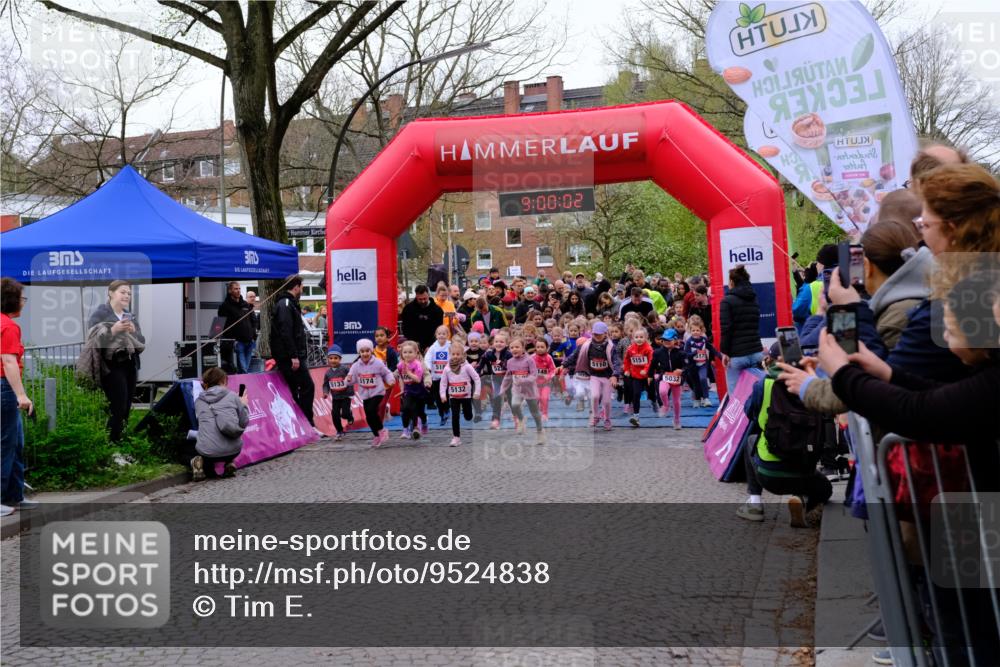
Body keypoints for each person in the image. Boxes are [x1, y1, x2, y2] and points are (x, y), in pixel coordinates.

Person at [738, 343, 833, 526]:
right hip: (804, 471)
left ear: (772, 360)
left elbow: (750, 412)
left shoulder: (763, 385)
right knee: (825, 490)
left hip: (769, 473)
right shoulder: (813, 387)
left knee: (750, 440)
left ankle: (755, 504)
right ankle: (804, 501)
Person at [87, 280, 145, 441]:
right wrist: (113, 330)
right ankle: (112, 445)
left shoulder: (130, 315)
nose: (126, 296)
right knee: (117, 406)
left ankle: (121, 441)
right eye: (123, 292)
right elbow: (93, 339)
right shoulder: (100, 313)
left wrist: (134, 332)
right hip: (111, 366)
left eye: (129, 293)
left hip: (130, 364)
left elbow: (142, 341)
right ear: (111, 293)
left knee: (126, 406)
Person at [1, 278, 36, 517]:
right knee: (6, 443)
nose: (23, 302)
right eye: (22, 298)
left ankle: (15, 495)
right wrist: (21, 395)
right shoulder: (9, 327)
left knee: (15, 442)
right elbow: (9, 361)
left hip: (4, 387)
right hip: (5, 387)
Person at [270, 275, 315, 426]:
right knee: (307, 386)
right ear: (296, 286)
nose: (302, 290)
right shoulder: (286, 304)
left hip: (293, 354)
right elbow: (285, 331)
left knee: (297, 388)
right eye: (302, 287)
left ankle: (302, 422)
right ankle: (307, 422)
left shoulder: (291, 304)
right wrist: (293, 356)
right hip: (289, 356)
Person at [191, 367, 249, 481]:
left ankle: (199, 463)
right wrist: (243, 404)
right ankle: (229, 462)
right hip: (234, 450)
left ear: (206, 383)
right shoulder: (233, 396)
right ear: (223, 381)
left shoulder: (199, 401)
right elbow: (244, 422)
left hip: (208, 453)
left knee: (193, 443)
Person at [563, 321, 620, 431]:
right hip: (594, 376)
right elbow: (574, 356)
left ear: (605, 334)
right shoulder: (586, 345)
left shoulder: (611, 347)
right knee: (594, 396)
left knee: (607, 401)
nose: (596, 336)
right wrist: (563, 365)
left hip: (607, 377)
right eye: (594, 334)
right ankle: (596, 416)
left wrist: (615, 375)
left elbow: (616, 362)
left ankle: (607, 419)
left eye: (599, 334)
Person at [346, 338, 395, 447]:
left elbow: (386, 373)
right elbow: (351, 379)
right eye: (362, 351)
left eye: (367, 351)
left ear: (371, 351)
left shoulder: (378, 363)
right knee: (368, 416)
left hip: (377, 392)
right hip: (364, 394)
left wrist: (390, 380)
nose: (365, 353)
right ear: (359, 353)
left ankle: (382, 430)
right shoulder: (355, 366)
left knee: (371, 409)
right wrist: (348, 380)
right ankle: (376, 436)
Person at [719, 265, 760, 391]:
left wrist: (725, 352)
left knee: (736, 398)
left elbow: (726, 329)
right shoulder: (753, 299)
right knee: (756, 395)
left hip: (737, 355)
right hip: (756, 352)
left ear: (732, 282)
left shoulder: (727, 301)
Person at [501, 338, 546, 444]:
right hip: (517, 389)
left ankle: (540, 431)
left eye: (517, 347)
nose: (514, 349)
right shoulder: (510, 362)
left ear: (523, 348)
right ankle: (521, 419)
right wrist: (502, 388)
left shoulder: (529, 360)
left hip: (530, 390)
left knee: (534, 413)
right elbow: (508, 376)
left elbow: (534, 375)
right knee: (515, 405)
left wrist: (524, 380)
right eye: (512, 347)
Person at [440, 342, 481, 447]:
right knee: (455, 416)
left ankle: (470, 413)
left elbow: (476, 378)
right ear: (450, 355)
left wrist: (477, 392)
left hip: (466, 396)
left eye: (458, 354)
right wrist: (443, 395)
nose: (455, 356)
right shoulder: (447, 368)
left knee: (468, 416)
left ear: (463, 355)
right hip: (453, 396)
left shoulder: (467, 367)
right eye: (453, 354)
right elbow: (443, 383)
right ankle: (456, 437)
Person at [217, 281, 256, 374]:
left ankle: (243, 386)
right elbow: (221, 325)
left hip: (249, 341)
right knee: (243, 370)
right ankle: (244, 386)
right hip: (238, 343)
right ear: (230, 291)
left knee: (245, 368)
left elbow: (253, 320)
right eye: (235, 289)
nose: (238, 291)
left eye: (239, 289)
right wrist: (233, 339)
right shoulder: (224, 306)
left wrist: (254, 335)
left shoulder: (246, 305)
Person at [651, 328, 686, 430]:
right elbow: (652, 365)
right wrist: (650, 375)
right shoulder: (658, 352)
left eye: (669, 340)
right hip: (665, 376)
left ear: (675, 340)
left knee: (676, 401)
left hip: (676, 379)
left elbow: (688, 366)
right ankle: (666, 405)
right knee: (662, 391)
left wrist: (682, 371)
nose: (666, 342)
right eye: (664, 340)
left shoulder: (681, 353)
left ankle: (676, 420)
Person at [477, 331, 512, 429]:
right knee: (496, 399)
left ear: (506, 344)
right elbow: (481, 363)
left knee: (511, 400)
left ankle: (517, 418)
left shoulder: (508, 354)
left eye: (501, 342)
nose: (499, 343)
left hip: (508, 380)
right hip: (496, 380)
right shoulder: (489, 354)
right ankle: (495, 420)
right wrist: (477, 371)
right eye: (496, 341)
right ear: (492, 343)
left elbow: (511, 367)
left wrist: (501, 364)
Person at [684, 315, 721, 407]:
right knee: (696, 383)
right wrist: (694, 353)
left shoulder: (704, 340)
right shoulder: (689, 342)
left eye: (697, 330)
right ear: (690, 331)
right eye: (693, 330)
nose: (695, 332)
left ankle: (706, 398)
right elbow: (686, 355)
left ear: (701, 331)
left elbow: (711, 348)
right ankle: (697, 399)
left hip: (703, 364)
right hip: (693, 365)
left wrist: (719, 356)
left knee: (703, 378)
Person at [397, 341, 429, 440]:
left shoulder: (418, 365)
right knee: (406, 408)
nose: (407, 354)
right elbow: (401, 377)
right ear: (401, 354)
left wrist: (408, 372)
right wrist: (402, 389)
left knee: (420, 412)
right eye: (405, 352)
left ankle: (424, 422)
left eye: (410, 352)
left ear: (416, 353)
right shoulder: (400, 365)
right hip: (408, 391)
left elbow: (418, 379)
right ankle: (406, 430)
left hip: (419, 391)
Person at [322, 344, 354, 441]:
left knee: (344, 414)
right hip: (335, 397)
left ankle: (349, 416)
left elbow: (351, 375)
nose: (333, 360)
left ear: (340, 359)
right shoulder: (328, 373)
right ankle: (339, 431)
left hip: (345, 396)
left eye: (335, 358)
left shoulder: (344, 369)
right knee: (335, 414)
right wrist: (325, 392)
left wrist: (349, 381)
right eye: (331, 358)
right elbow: (326, 384)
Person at [623, 327, 654, 427]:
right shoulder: (630, 349)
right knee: (636, 394)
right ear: (633, 338)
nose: (639, 339)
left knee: (651, 393)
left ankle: (654, 402)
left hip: (647, 376)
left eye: (641, 337)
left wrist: (646, 370)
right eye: (636, 337)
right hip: (636, 375)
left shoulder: (648, 349)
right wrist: (627, 370)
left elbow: (650, 361)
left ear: (646, 337)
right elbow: (626, 360)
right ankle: (636, 417)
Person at [400, 285, 444, 351]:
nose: (423, 301)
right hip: (413, 345)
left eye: (425, 298)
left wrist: (430, 345)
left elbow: (438, 330)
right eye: (420, 299)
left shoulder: (437, 310)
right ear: (416, 296)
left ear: (428, 295)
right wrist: (413, 343)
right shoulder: (408, 309)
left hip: (431, 344)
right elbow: (406, 328)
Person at [424, 325, 452, 425]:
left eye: (444, 334)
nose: (441, 336)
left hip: (447, 377)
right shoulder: (433, 347)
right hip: (436, 377)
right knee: (438, 397)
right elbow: (427, 358)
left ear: (448, 335)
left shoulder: (450, 346)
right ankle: (442, 415)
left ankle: (447, 409)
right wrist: (428, 367)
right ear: (436, 335)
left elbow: (455, 356)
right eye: (439, 334)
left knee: (446, 395)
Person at [533, 338, 556, 422]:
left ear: (547, 348)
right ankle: (538, 408)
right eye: (538, 347)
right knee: (536, 398)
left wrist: (548, 376)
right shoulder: (532, 358)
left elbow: (553, 370)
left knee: (544, 398)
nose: (539, 349)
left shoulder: (549, 358)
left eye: (542, 347)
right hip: (535, 384)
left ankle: (545, 414)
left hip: (546, 383)